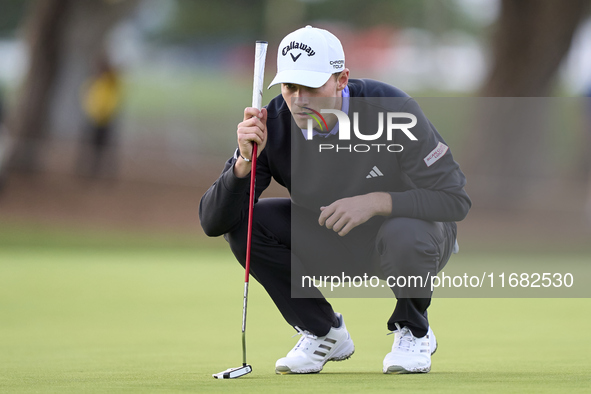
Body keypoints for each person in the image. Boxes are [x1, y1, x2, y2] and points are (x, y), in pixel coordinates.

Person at [200, 26, 471, 375]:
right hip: (334, 239)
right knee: (247, 225)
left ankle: (414, 330)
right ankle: (322, 331)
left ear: (341, 79)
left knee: (405, 232)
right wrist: (242, 164)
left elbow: (454, 199)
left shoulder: (392, 109)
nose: (298, 100)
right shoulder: (274, 124)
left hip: (411, 241)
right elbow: (214, 223)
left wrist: (376, 201)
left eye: (311, 87)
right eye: (289, 87)